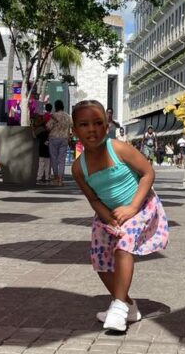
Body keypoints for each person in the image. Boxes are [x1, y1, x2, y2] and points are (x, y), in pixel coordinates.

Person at [70, 100, 169, 332]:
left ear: (107, 125)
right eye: (84, 124)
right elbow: (94, 199)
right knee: (100, 259)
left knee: (123, 247)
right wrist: (107, 217)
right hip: (107, 214)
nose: (92, 129)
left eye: (98, 123)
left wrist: (133, 207)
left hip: (140, 206)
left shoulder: (119, 148)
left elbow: (147, 173)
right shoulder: (78, 167)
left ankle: (117, 308)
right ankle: (127, 304)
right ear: (75, 131)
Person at [46, 99, 73, 186]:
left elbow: (48, 127)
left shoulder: (54, 116)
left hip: (53, 138)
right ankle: (61, 179)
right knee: (62, 160)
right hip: (64, 139)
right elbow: (72, 126)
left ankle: (56, 178)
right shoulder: (68, 116)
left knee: (54, 158)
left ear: (56, 107)